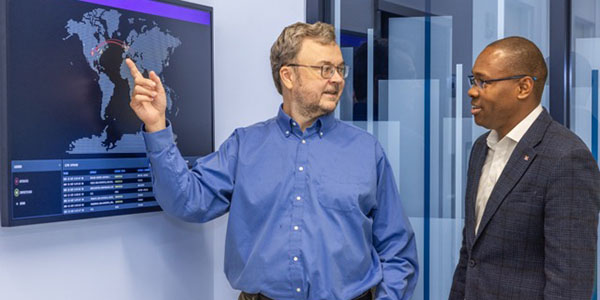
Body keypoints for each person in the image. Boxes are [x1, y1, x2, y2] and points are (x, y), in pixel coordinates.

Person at [126, 22, 418, 300]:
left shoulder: (367, 151)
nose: (338, 79)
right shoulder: (245, 146)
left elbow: (397, 250)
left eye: (340, 69)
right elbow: (185, 200)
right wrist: (156, 126)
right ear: (288, 76)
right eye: (325, 69)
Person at [450, 36, 600, 299]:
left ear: (523, 87)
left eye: (483, 82)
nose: (472, 91)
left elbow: (569, 284)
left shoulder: (566, 158)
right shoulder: (480, 148)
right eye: (473, 81)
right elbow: (471, 255)